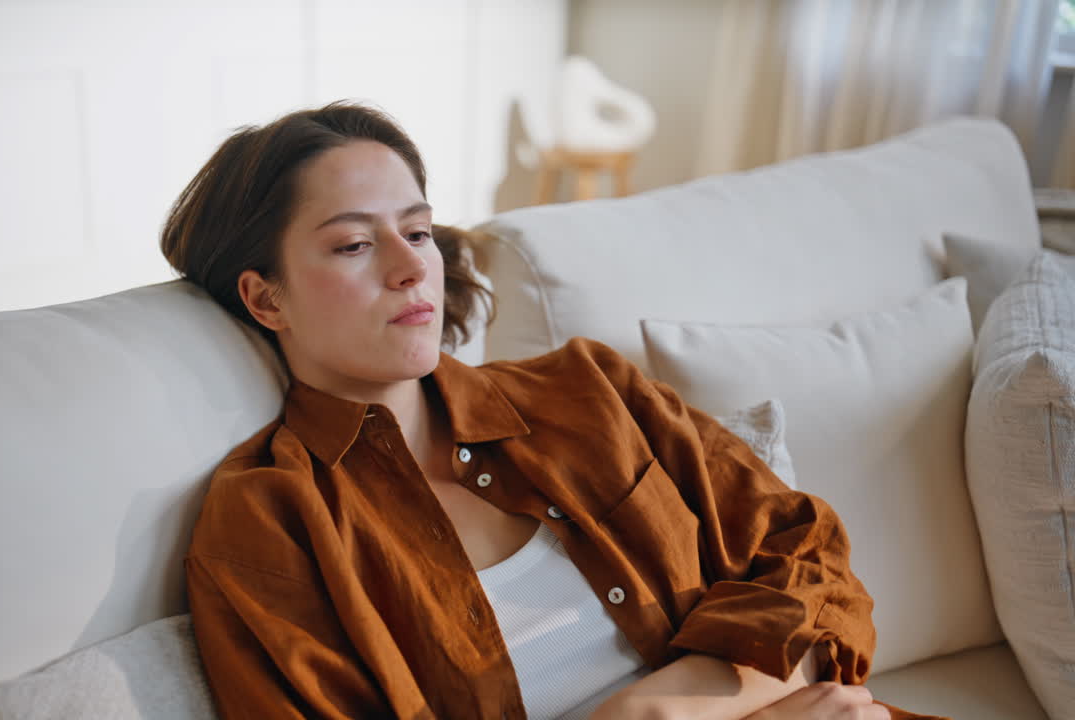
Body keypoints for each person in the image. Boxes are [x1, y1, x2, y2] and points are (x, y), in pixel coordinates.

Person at [160, 101, 943, 720]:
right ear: (266, 298)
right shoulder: (270, 518)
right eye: (352, 246)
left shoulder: (591, 392)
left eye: (418, 230)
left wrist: (668, 706)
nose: (410, 269)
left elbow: (808, 556)